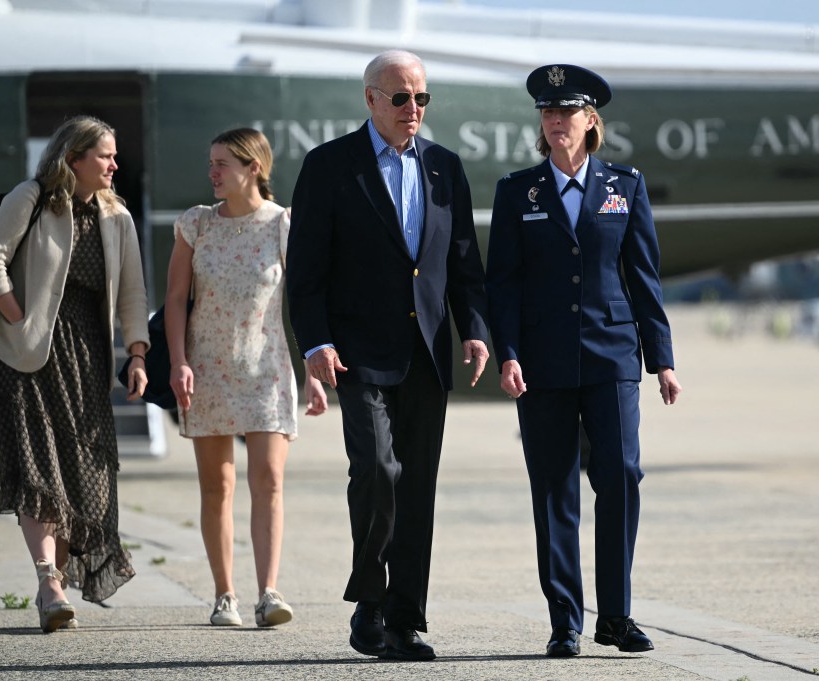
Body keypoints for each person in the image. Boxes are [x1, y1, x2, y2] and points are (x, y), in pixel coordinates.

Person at [285, 49, 489, 661]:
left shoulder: (445, 168)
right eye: (401, 98)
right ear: (370, 98)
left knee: (418, 486)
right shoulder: (329, 167)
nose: (413, 109)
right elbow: (306, 272)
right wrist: (316, 342)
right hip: (358, 353)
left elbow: (462, 263)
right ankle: (370, 598)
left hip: (426, 352)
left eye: (422, 98)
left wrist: (474, 329)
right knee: (377, 471)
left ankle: (404, 620)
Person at [485, 64, 683, 658]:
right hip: (541, 364)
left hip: (612, 356)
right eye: (546, 113)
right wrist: (509, 354)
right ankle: (565, 620)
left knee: (621, 477)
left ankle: (616, 617)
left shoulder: (625, 185)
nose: (554, 122)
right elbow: (504, 285)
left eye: (565, 113)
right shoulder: (518, 191)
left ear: (589, 121)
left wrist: (662, 360)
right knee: (554, 490)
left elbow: (643, 278)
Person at [0, 115, 150, 632]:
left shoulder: (117, 216)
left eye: (115, 156)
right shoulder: (31, 197)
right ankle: (48, 581)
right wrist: (17, 319)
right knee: (37, 473)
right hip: (22, 357)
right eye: (105, 156)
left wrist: (136, 354)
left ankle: (59, 587)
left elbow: (135, 293)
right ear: (72, 159)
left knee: (83, 478)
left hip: (87, 359)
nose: (115, 164)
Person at [164, 127, 327, 629]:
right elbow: (174, 299)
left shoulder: (282, 224)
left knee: (270, 481)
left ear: (252, 167)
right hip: (206, 367)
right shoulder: (196, 225)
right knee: (217, 486)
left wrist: (312, 368)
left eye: (221, 165)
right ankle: (224, 596)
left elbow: (300, 301)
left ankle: (268, 592)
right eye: (210, 164)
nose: (212, 173)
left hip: (266, 369)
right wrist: (178, 362)